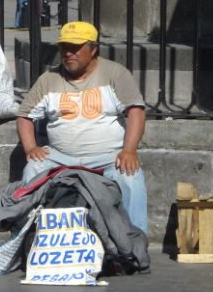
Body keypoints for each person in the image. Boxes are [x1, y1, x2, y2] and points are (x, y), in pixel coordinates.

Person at [16, 21, 148, 233]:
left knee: (131, 176)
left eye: (75, 48)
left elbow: (136, 111)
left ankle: (135, 243)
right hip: (60, 155)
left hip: (108, 156)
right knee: (33, 168)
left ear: (93, 48)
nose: (69, 53)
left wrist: (129, 150)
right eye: (64, 48)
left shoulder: (115, 73)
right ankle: (25, 237)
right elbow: (25, 115)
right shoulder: (49, 79)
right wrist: (31, 148)